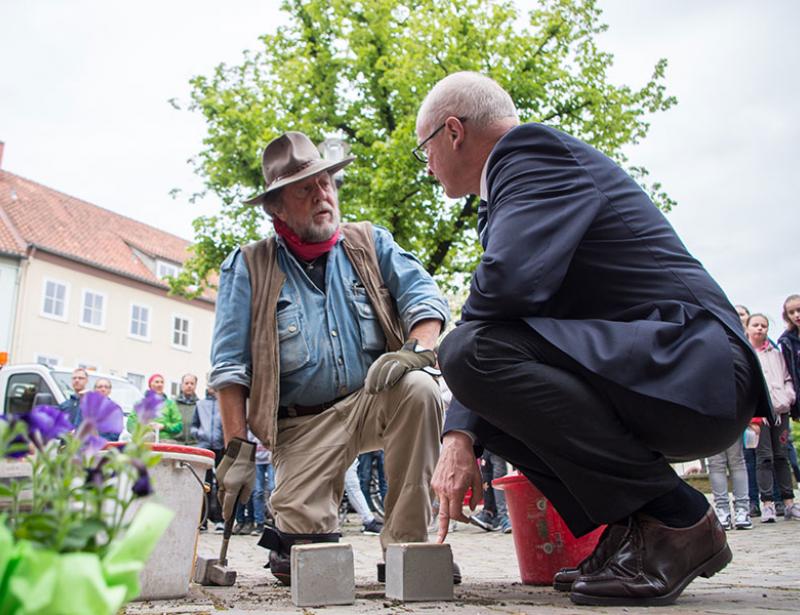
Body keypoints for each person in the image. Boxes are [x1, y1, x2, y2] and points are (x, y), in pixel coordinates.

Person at [417, 72, 772, 607]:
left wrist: (457, 425)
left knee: (468, 351)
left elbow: (507, 287)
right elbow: (516, 314)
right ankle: (635, 526)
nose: (426, 165)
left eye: (424, 149)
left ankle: (677, 519)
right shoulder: (518, 183)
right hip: (659, 373)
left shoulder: (529, 154)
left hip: (696, 367)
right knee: (484, 395)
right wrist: (462, 432)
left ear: (453, 131)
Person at [209, 131, 450, 586]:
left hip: (372, 399)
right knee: (304, 555)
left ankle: (407, 547)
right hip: (301, 425)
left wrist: (418, 349)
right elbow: (229, 368)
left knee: (420, 388)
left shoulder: (369, 243)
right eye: (305, 189)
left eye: (326, 183)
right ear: (277, 208)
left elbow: (424, 297)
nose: (322, 195)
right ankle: (296, 531)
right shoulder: (249, 266)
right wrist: (237, 450)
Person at [746, 313, 798, 521]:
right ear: (748, 328)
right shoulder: (746, 353)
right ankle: (767, 504)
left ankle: (789, 502)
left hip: (780, 411)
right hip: (759, 415)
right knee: (764, 457)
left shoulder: (776, 353)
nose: (760, 328)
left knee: (782, 456)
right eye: (756, 325)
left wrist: (788, 397)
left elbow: (787, 378)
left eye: (764, 325)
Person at [192, 385, 225, 531]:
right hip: (204, 447)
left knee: (221, 483)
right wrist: (199, 434)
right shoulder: (200, 404)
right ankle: (202, 520)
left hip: (220, 447)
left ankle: (219, 520)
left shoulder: (223, 404)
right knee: (204, 483)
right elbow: (193, 425)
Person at [126, 373, 182, 439]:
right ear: (150, 385)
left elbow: (179, 425)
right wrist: (144, 428)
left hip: (165, 441)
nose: (160, 384)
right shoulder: (142, 403)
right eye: (157, 382)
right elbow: (130, 423)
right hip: (145, 440)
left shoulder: (170, 404)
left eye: (162, 382)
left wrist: (164, 426)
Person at [175, 373, 199, 445]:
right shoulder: (173, 404)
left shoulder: (199, 405)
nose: (189, 386)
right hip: (176, 444)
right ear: (182, 385)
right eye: (186, 383)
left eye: (192, 383)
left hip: (194, 445)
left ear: (195, 386)